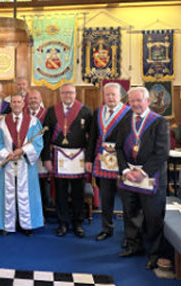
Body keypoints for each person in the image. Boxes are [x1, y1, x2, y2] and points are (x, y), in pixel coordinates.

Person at [115, 87, 173, 273]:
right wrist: (125, 169)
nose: (136, 104)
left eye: (139, 100)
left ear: (147, 101)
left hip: (152, 177)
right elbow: (117, 148)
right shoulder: (125, 120)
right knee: (130, 212)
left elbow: (162, 152)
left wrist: (143, 172)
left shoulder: (159, 122)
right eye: (132, 101)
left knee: (153, 216)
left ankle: (155, 254)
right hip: (129, 176)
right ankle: (134, 245)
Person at [42, 84, 95, 238]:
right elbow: (45, 136)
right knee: (60, 192)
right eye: (64, 93)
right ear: (60, 94)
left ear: (75, 93)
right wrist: (46, 158)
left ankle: (78, 223)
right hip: (59, 156)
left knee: (78, 192)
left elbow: (91, 138)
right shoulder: (52, 111)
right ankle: (63, 223)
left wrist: (89, 159)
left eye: (70, 93)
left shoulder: (85, 111)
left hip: (79, 156)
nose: (68, 95)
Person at [0, 93, 45, 236]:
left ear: (23, 104)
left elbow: (38, 142)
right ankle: (7, 225)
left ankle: (27, 225)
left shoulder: (33, 122)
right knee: (8, 194)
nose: (16, 104)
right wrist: (5, 154)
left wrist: (23, 150)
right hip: (8, 163)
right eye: (13, 102)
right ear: (10, 104)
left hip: (25, 164)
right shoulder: (2, 122)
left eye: (19, 102)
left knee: (25, 194)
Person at [93, 82, 130, 242]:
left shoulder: (128, 113)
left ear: (120, 96)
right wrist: (89, 158)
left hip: (123, 161)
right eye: (107, 95)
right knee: (106, 198)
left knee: (127, 200)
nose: (110, 97)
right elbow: (93, 137)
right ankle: (106, 229)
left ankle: (130, 234)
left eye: (113, 94)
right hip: (103, 161)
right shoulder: (98, 112)